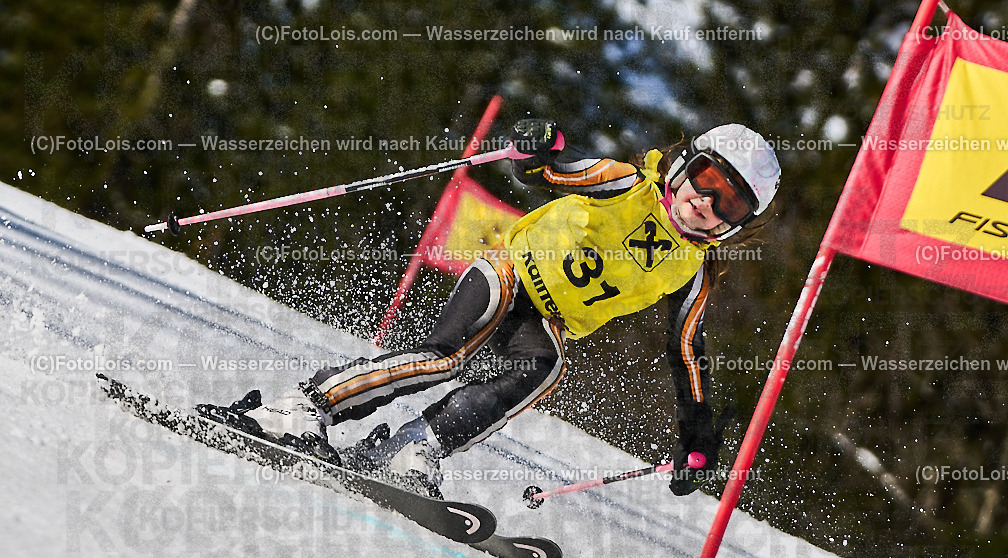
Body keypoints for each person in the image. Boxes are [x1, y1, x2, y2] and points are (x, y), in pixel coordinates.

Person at [203, 119, 781, 499]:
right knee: (444, 360)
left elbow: (687, 353)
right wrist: (543, 144)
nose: (705, 203)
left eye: (729, 203)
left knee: (543, 368)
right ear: (685, 167)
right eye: (707, 180)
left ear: (738, 224)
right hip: (510, 270)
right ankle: (299, 409)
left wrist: (696, 434)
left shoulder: (692, 273)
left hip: (546, 320)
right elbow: (561, 166)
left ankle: (410, 449)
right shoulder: (628, 183)